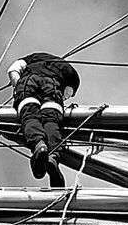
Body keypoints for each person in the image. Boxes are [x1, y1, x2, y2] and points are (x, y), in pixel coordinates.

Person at [7, 51, 80, 187]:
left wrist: (18, 86)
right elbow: (68, 92)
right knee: (51, 120)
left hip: (29, 81)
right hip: (53, 86)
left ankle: (39, 145)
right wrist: (61, 97)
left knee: (30, 116)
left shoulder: (32, 58)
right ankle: (52, 157)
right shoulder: (68, 69)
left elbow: (13, 69)